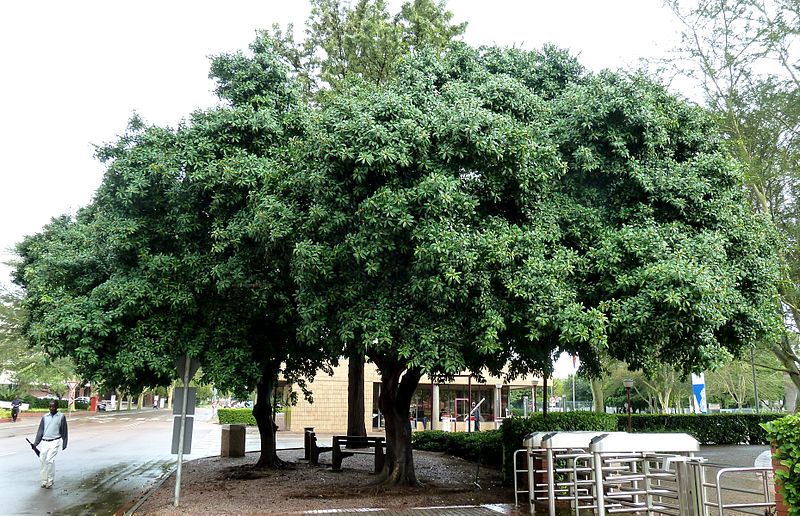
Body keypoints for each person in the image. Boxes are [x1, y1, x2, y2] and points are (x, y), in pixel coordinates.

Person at [32, 401, 68, 488]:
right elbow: (40, 431)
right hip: (45, 441)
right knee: (43, 460)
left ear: (57, 407)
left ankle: (50, 480)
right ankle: (44, 480)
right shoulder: (45, 417)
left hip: (55, 441)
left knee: (49, 460)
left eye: (54, 407)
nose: (52, 408)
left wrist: (64, 442)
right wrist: (36, 443)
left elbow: (64, 430)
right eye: (50, 407)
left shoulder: (61, 417)